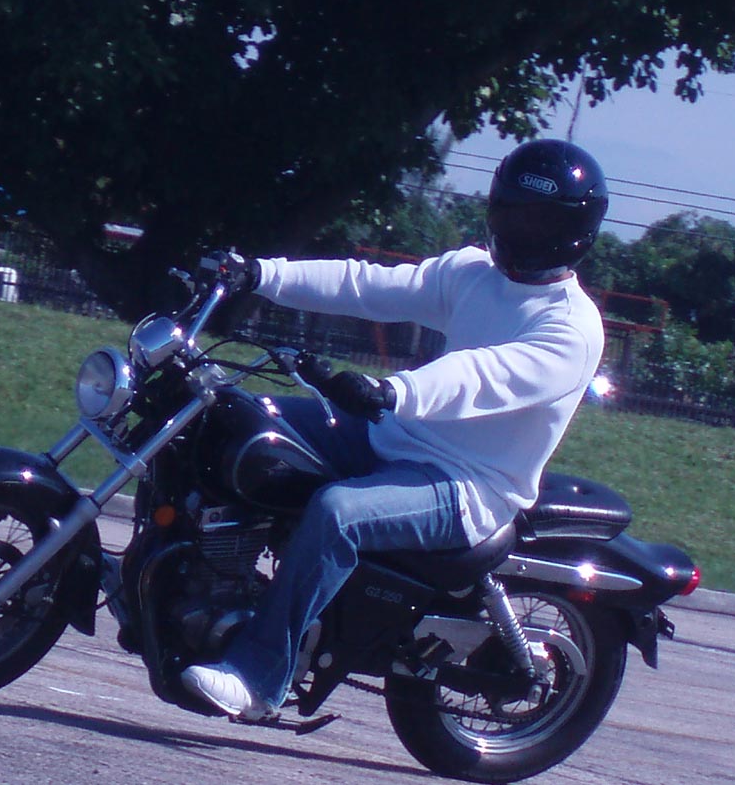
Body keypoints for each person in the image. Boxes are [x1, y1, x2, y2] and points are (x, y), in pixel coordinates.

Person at [181, 138, 610, 720]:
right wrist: (260, 274)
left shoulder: (572, 327)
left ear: (574, 230)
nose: (522, 229)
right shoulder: (472, 273)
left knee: (338, 511)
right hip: (391, 436)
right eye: (514, 212)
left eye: (539, 220)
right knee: (232, 416)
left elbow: (483, 376)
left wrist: (394, 391)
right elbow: (369, 285)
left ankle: (260, 676)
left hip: (467, 485)